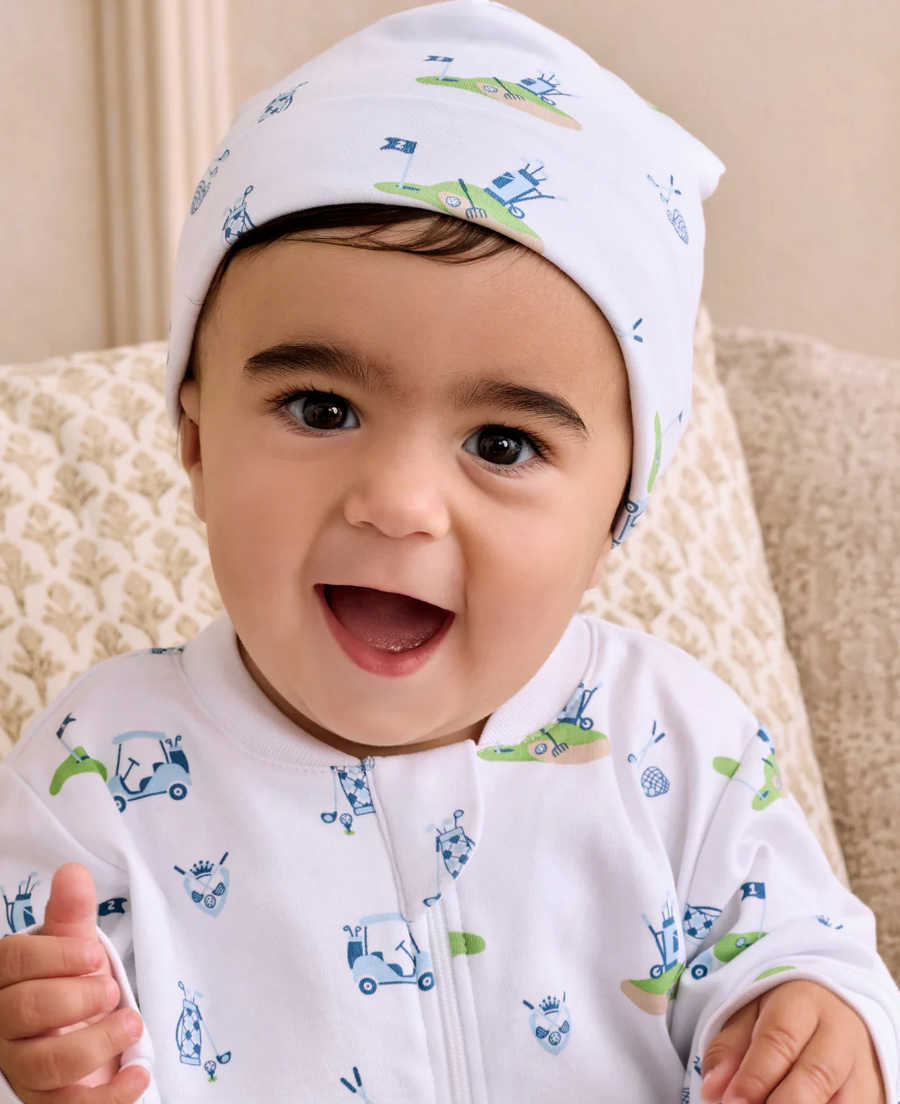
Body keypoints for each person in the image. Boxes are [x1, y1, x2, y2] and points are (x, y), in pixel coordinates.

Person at [0, 2, 897, 1102]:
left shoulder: (675, 744)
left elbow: (808, 951)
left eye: (502, 444)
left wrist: (814, 1023)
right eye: (322, 409)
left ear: (616, 515)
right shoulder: (95, 776)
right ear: (194, 441)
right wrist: (42, 1062)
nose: (398, 504)